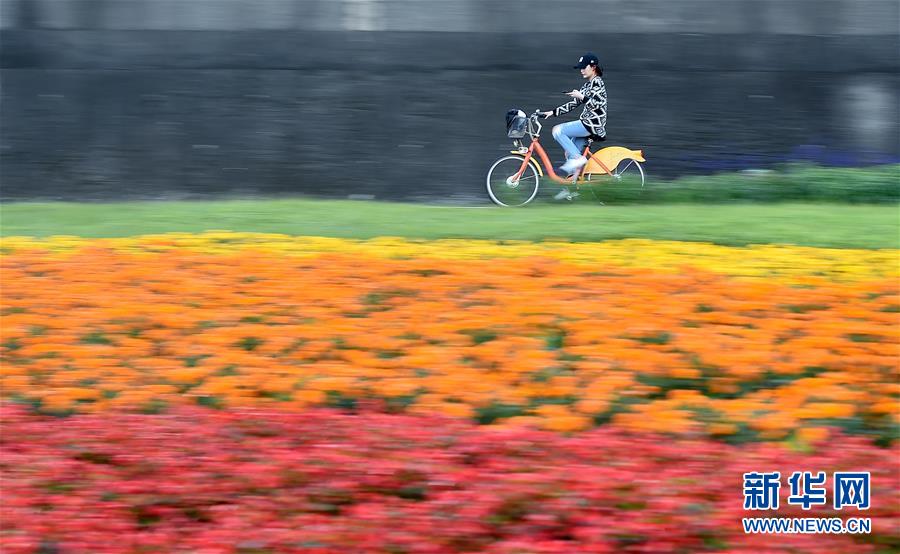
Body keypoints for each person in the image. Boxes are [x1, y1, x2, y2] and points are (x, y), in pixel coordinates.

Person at [540, 52, 607, 199]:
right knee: (569, 153)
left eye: (584, 67)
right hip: (588, 124)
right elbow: (573, 104)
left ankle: (578, 159)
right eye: (580, 68)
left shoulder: (597, 82)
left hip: (592, 124)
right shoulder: (587, 85)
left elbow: (596, 104)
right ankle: (571, 190)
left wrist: (581, 96)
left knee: (558, 130)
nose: (581, 70)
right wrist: (551, 113)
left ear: (593, 67)